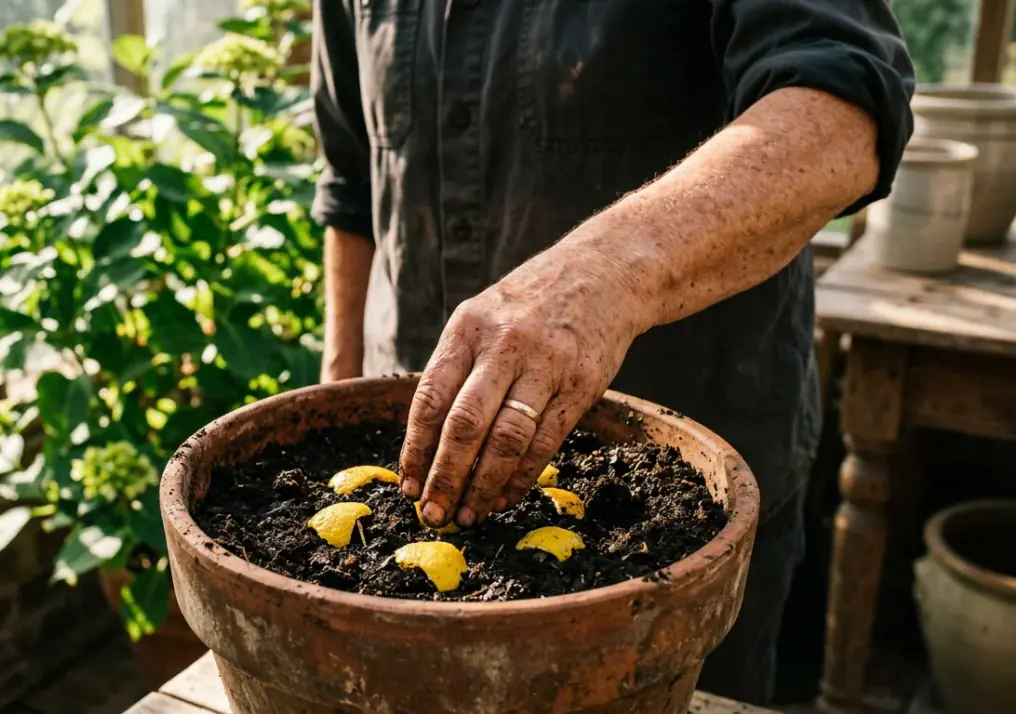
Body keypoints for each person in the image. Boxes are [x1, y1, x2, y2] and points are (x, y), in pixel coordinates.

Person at [310, 0, 913, 705]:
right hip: (412, 478)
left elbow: (844, 112)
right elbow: (351, 184)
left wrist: (600, 277)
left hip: (663, 526)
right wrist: (335, 399)